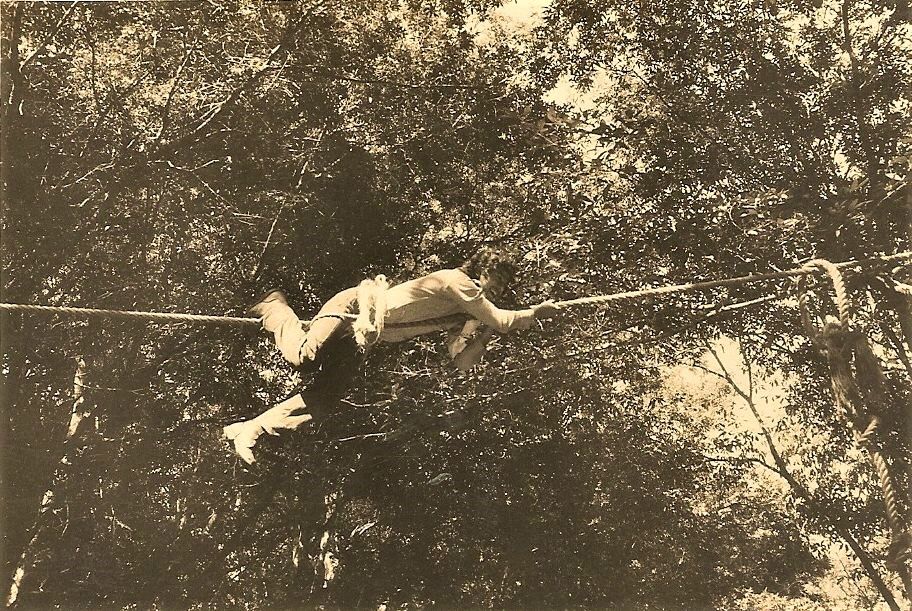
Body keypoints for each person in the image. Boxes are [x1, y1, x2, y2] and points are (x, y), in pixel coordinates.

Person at [224, 249, 560, 463]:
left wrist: (484, 331)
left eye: (502, 287)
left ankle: (254, 427)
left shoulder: (467, 312)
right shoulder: (459, 283)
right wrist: (534, 314)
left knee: (325, 399)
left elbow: (460, 362)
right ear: (479, 272)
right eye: (494, 280)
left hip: (366, 335)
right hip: (356, 307)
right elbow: (503, 319)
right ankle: (274, 306)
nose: (495, 290)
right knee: (304, 356)